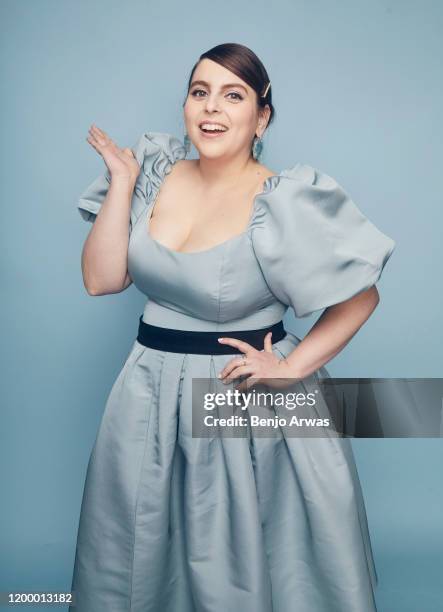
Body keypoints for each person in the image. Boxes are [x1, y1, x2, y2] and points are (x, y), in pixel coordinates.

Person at [69, 42, 395, 612]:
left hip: (239, 400)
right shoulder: (153, 170)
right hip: (147, 392)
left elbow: (361, 296)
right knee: (139, 551)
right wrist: (121, 182)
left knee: (243, 560)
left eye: (233, 94)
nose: (212, 108)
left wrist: (291, 366)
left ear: (261, 116)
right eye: (200, 92)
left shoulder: (285, 198)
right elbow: (101, 280)